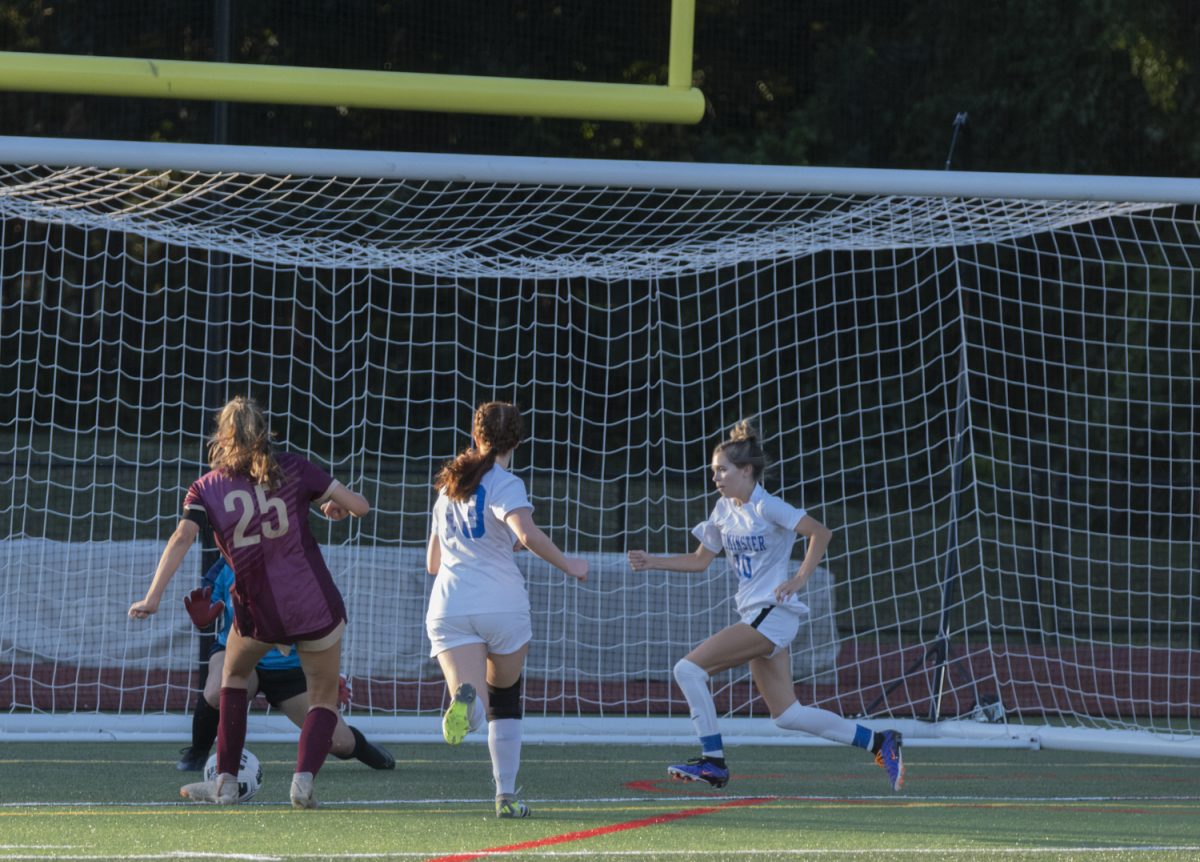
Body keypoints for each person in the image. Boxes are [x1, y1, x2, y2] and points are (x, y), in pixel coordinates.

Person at [627, 420, 904, 792]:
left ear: (746, 470)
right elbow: (699, 561)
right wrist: (653, 560)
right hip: (756, 615)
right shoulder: (724, 509)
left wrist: (799, 579)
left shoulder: (768, 506)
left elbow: (820, 533)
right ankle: (878, 741)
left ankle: (713, 761)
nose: (716, 477)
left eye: (723, 470)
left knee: (688, 670)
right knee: (787, 715)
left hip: (773, 615)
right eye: (713, 471)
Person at [129, 395, 370, 809]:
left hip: (257, 612)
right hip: (315, 605)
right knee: (323, 699)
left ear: (222, 438)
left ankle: (224, 781)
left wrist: (152, 598)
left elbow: (182, 537)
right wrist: (333, 507)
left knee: (233, 678)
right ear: (264, 431)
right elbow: (360, 507)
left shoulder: (206, 487)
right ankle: (303, 780)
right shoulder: (293, 467)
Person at [425, 401, 588, 818]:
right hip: (500, 603)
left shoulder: (448, 486)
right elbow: (526, 534)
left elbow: (433, 563)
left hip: (449, 605)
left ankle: (468, 706)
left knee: (475, 701)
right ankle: (505, 796)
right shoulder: (505, 482)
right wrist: (570, 565)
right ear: (515, 441)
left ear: (475, 435)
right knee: (506, 696)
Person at [175, 558, 394, 773]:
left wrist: (328, 676)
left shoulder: (302, 567)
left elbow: (322, 626)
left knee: (340, 742)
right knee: (216, 691)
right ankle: (198, 751)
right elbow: (208, 604)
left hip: (288, 667)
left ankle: (364, 747)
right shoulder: (227, 561)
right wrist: (203, 620)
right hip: (238, 654)